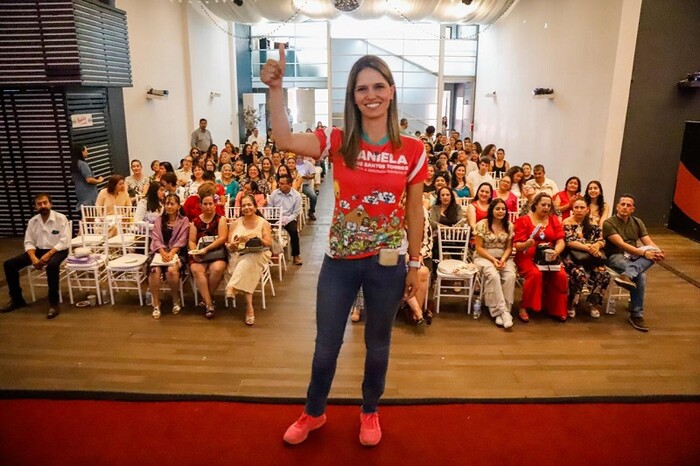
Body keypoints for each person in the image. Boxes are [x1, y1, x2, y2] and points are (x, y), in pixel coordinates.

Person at [262, 45, 426, 446]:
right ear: (352, 96)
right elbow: (282, 138)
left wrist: (417, 264)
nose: (370, 94)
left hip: (388, 264)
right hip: (339, 262)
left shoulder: (413, 150)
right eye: (361, 88)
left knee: (378, 345)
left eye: (378, 86)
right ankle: (313, 412)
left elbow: (415, 212)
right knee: (325, 346)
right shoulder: (336, 140)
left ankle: (369, 411)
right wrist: (276, 89)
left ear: (390, 91)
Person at [1, 193, 70, 319]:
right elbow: (29, 242)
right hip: (38, 250)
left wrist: (48, 255)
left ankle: (54, 304)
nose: (43, 206)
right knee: (9, 264)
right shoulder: (33, 221)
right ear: (35, 207)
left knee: (52, 266)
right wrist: (33, 258)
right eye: (39, 204)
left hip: (58, 250)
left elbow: (64, 242)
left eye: (45, 203)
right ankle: (17, 299)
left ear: (50, 204)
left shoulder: (61, 218)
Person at [603, 194, 664, 332]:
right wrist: (643, 253)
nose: (625, 207)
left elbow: (648, 242)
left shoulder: (637, 222)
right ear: (617, 206)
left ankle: (627, 274)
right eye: (622, 204)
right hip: (615, 255)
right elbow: (622, 244)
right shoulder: (609, 223)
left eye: (628, 205)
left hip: (633, 255)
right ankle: (636, 314)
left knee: (652, 253)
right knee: (641, 276)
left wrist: (658, 251)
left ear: (633, 209)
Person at [513, 193, 569, 323]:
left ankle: (556, 309)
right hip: (528, 256)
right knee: (535, 274)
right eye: (543, 204)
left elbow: (561, 241)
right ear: (535, 205)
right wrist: (526, 244)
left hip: (548, 256)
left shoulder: (554, 219)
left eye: (549, 205)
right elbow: (518, 245)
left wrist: (556, 251)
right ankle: (525, 306)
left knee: (561, 275)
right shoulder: (524, 220)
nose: (546, 208)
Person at [224, 195, 273, 326]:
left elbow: (268, 244)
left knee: (249, 260)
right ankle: (249, 308)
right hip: (239, 254)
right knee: (245, 264)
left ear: (255, 207)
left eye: (249, 205)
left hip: (259, 253)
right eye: (244, 205)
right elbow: (229, 245)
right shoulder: (236, 223)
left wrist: (256, 237)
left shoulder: (263, 223)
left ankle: (232, 287)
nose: (246, 208)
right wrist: (233, 245)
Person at [562, 198, 611, 319]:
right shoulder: (567, 223)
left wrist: (596, 246)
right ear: (572, 209)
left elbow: (601, 240)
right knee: (579, 274)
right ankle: (571, 304)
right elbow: (569, 242)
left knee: (604, 274)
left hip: (591, 257)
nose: (579, 210)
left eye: (582, 208)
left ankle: (592, 303)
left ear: (587, 209)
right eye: (576, 207)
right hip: (572, 257)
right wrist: (588, 248)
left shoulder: (593, 224)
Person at [473, 198, 516, 329]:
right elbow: (478, 248)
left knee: (510, 276)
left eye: (503, 209)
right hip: (484, 256)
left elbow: (509, 247)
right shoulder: (482, 224)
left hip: (503, 257)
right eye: (497, 209)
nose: (501, 211)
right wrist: (493, 260)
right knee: (493, 275)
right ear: (491, 210)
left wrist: (503, 259)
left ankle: (503, 312)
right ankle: (502, 312)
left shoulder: (509, 225)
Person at [188, 188, 228, 319]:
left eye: (211, 203)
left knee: (217, 269)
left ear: (215, 204)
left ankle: (206, 299)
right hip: (200, 252)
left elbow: (222, 238)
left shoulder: (220, 219)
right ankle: (209, 303)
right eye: (205, 204)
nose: (208, 206)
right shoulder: (195, 221)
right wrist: (195, 251)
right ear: (200, 205)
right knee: (196, 269)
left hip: (216, 252)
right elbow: (192, 240)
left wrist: (207, 249)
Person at [148, 194, 189, 319]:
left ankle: (175, 298)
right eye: (167, 204)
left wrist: (171, 253)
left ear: (178, 206)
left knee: (171, 271)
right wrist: (163, 252)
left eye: (172, 204)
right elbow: (155, 238)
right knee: (155, 271)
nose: (169, 206)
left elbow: (182, 240)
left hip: (177, 252)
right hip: (159, 252)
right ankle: (156, 302)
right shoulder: (159, 220)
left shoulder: (184, 221)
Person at [268, 174, 303, 265]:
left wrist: (286, 219)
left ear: (290, 184)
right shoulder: (275, 193)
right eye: (279, 183)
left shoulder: (296, 196)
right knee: (264, 227)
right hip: (275, 217)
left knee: (294, 231)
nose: (280, 185)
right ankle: (270, 253)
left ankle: (296, 255)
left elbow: (296, 213)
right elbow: (269, 207)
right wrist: (273, 217)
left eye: (282, 184)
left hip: (288, 218)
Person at [70, 144, 102, 211]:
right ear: (81, 151)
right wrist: (99, 180)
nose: (87, 152)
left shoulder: (74, 164)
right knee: (91, 214)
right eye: (86, 150)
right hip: (89, 193)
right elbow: (89, 179)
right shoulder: (83, 164)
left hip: (80, 193)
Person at [296, 155, 318, 221]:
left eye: (301, 157)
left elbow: (313, 175)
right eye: (297, 157)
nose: (299, 158)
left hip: (304, 185)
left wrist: (307, 176)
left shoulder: (308, 164)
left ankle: (311, 212)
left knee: (313, 196)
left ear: (303, 157)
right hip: (292, 185)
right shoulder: (292, 163)